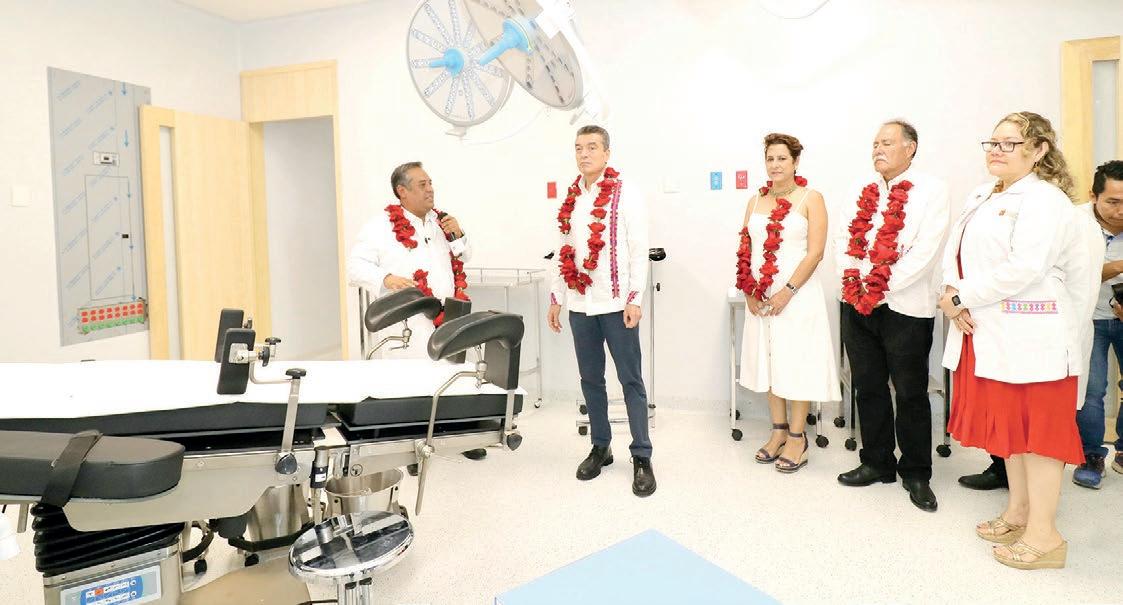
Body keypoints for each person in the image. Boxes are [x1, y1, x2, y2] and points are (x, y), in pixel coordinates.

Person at [939, 111, 1100, 570]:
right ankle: (1019, 512)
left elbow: (1027, 267)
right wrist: (951, 293)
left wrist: (962, 296)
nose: (996, 150)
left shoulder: (1045, 199)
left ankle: (1045, 537)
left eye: (1009, 143)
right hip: (992, 331)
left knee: (1040, 435)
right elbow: (955, 253)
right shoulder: (984, 193)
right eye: (992, 142)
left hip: (1035, 336)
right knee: (1012, 429)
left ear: (1040, 149)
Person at [833, 120, 950, 512]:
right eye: (874, 144)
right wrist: (854, 284)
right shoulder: (859, 188)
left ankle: (916, 472)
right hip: (857, 305)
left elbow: (925, 252)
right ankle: (877, 462)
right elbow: (843, 241)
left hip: (906, 307)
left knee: (910, 391)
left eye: (886, 142)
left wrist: (880, 287)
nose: (878, 150)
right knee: (868, 386)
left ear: (910, 147)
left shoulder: (932, 190)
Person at [347, 161, 485, 462]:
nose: (430, 189)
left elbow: (465, 255)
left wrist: (458, 233)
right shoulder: (380, 226)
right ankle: (411, 448)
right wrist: (386, 278)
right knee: (410, 382)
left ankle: (458, 435)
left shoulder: (441, 222)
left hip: (446, 314)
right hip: (406, 321)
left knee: (450, 375)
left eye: (430, 183)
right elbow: (354, 267)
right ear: (402, 191)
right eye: (422, 185)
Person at [547, 125, 655, 497]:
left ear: (607, 153)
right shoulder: (571, 198)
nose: (584, 154)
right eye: (579, 148)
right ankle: (601, 446)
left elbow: (638, 250)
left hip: (616, 304)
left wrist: (635, 298)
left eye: (592, 147)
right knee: (590, 380)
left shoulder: (626, 193)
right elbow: (561, 250)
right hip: (580, 305)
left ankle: (641, 455)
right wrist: (556, 297)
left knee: (631, 380)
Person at [737, 133, 839, 473]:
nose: (775, 165)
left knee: (797, 362)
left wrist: (788, 291)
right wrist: (749, 290)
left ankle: (797, 438)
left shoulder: (811, 198)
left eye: (782, 158)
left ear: (795, 162)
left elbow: (815, 252)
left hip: (798, 296)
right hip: (762, 297)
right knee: (769, 361)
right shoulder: (755, 201)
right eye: (770, 159)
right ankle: (778, 431)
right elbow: (746, 249)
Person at [1074, 160, 1123, 489]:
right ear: (1093, 196)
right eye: (1113, 202)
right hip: (1087, 316)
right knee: (1091, 391)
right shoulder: (1073, 222)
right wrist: (1117, 266)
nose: (1121, 211)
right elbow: (1073, 272)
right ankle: (1090, 455)